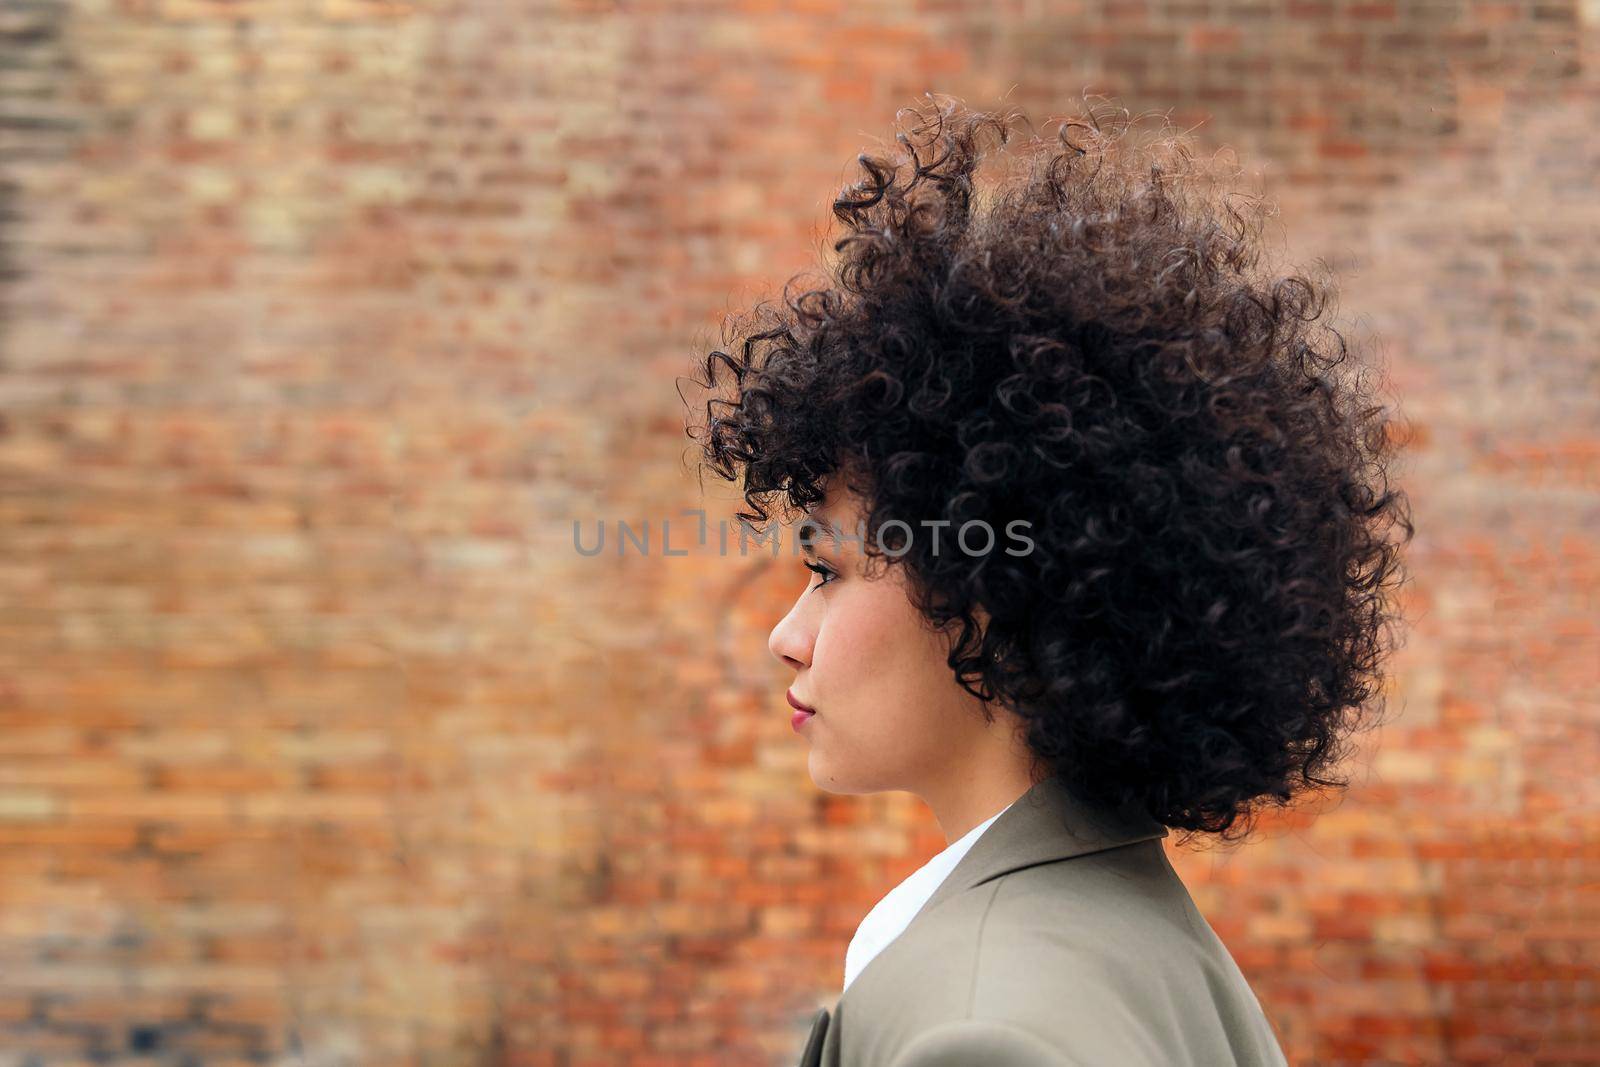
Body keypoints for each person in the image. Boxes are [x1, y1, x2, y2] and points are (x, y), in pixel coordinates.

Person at [680, 94, 1414, 1067]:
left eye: (825, 568)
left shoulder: (985, 1030)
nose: (786, 632)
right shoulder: (1150, 942)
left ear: (982, 580)